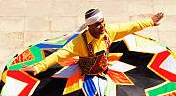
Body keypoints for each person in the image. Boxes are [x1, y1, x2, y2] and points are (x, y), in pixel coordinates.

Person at [22, 9, 165, 76]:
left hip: (104, 69)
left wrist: (150, 22)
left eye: (102, 22)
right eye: (97, 24)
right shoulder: (78, 43)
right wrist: (38, 68)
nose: (102, 26)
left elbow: (129, 27)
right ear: (89, 26)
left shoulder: (109, 31)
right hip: (85, 75)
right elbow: (58, 56)